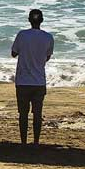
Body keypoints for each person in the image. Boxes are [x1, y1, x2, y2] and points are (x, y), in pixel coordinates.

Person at [11, 9, 54, 146]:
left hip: (23, 81)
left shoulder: (22, 35)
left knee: (23, 114)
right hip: (39, 81)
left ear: (29, 20)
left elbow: (13, 53)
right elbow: (47, 57)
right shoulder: (48, 37)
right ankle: (36, 141)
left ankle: (23, 142)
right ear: (42, 20)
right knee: (37, 114)